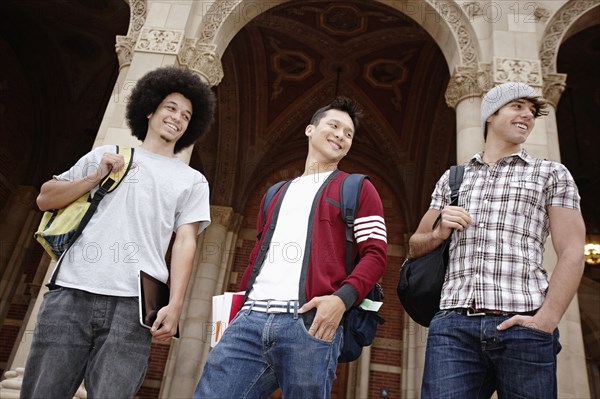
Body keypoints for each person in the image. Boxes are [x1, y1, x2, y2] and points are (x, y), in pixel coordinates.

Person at [21, 66, 216, 399]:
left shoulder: (193, 181)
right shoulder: (108, 155)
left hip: (135, 307)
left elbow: (185, 241)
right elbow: (45, 198)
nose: (177, 118)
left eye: (186, 115)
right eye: (170, 107)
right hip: (71, 292)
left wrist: (177, 303)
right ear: (150, 108)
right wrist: (95, 176)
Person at [194, 96, 387, 399]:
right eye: (333, 126)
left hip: (309, 324)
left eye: (348, 133)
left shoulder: (359, 188)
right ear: (310, 130)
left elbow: (375, 255)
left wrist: (340, 301)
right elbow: (257, 257)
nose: (340, 135)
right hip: (250, 319)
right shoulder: (275, 193)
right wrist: (237, 311)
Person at [409, 82, 585, 398]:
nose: (527, 116)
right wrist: (439, 231)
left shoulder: (552, 174)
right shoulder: (453, 179)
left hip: (525, 326)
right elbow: (415, 245)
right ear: (491, 114)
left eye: (532, 112)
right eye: (518, 106)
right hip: (454, 327)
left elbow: (572, 250)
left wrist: (547, 319)